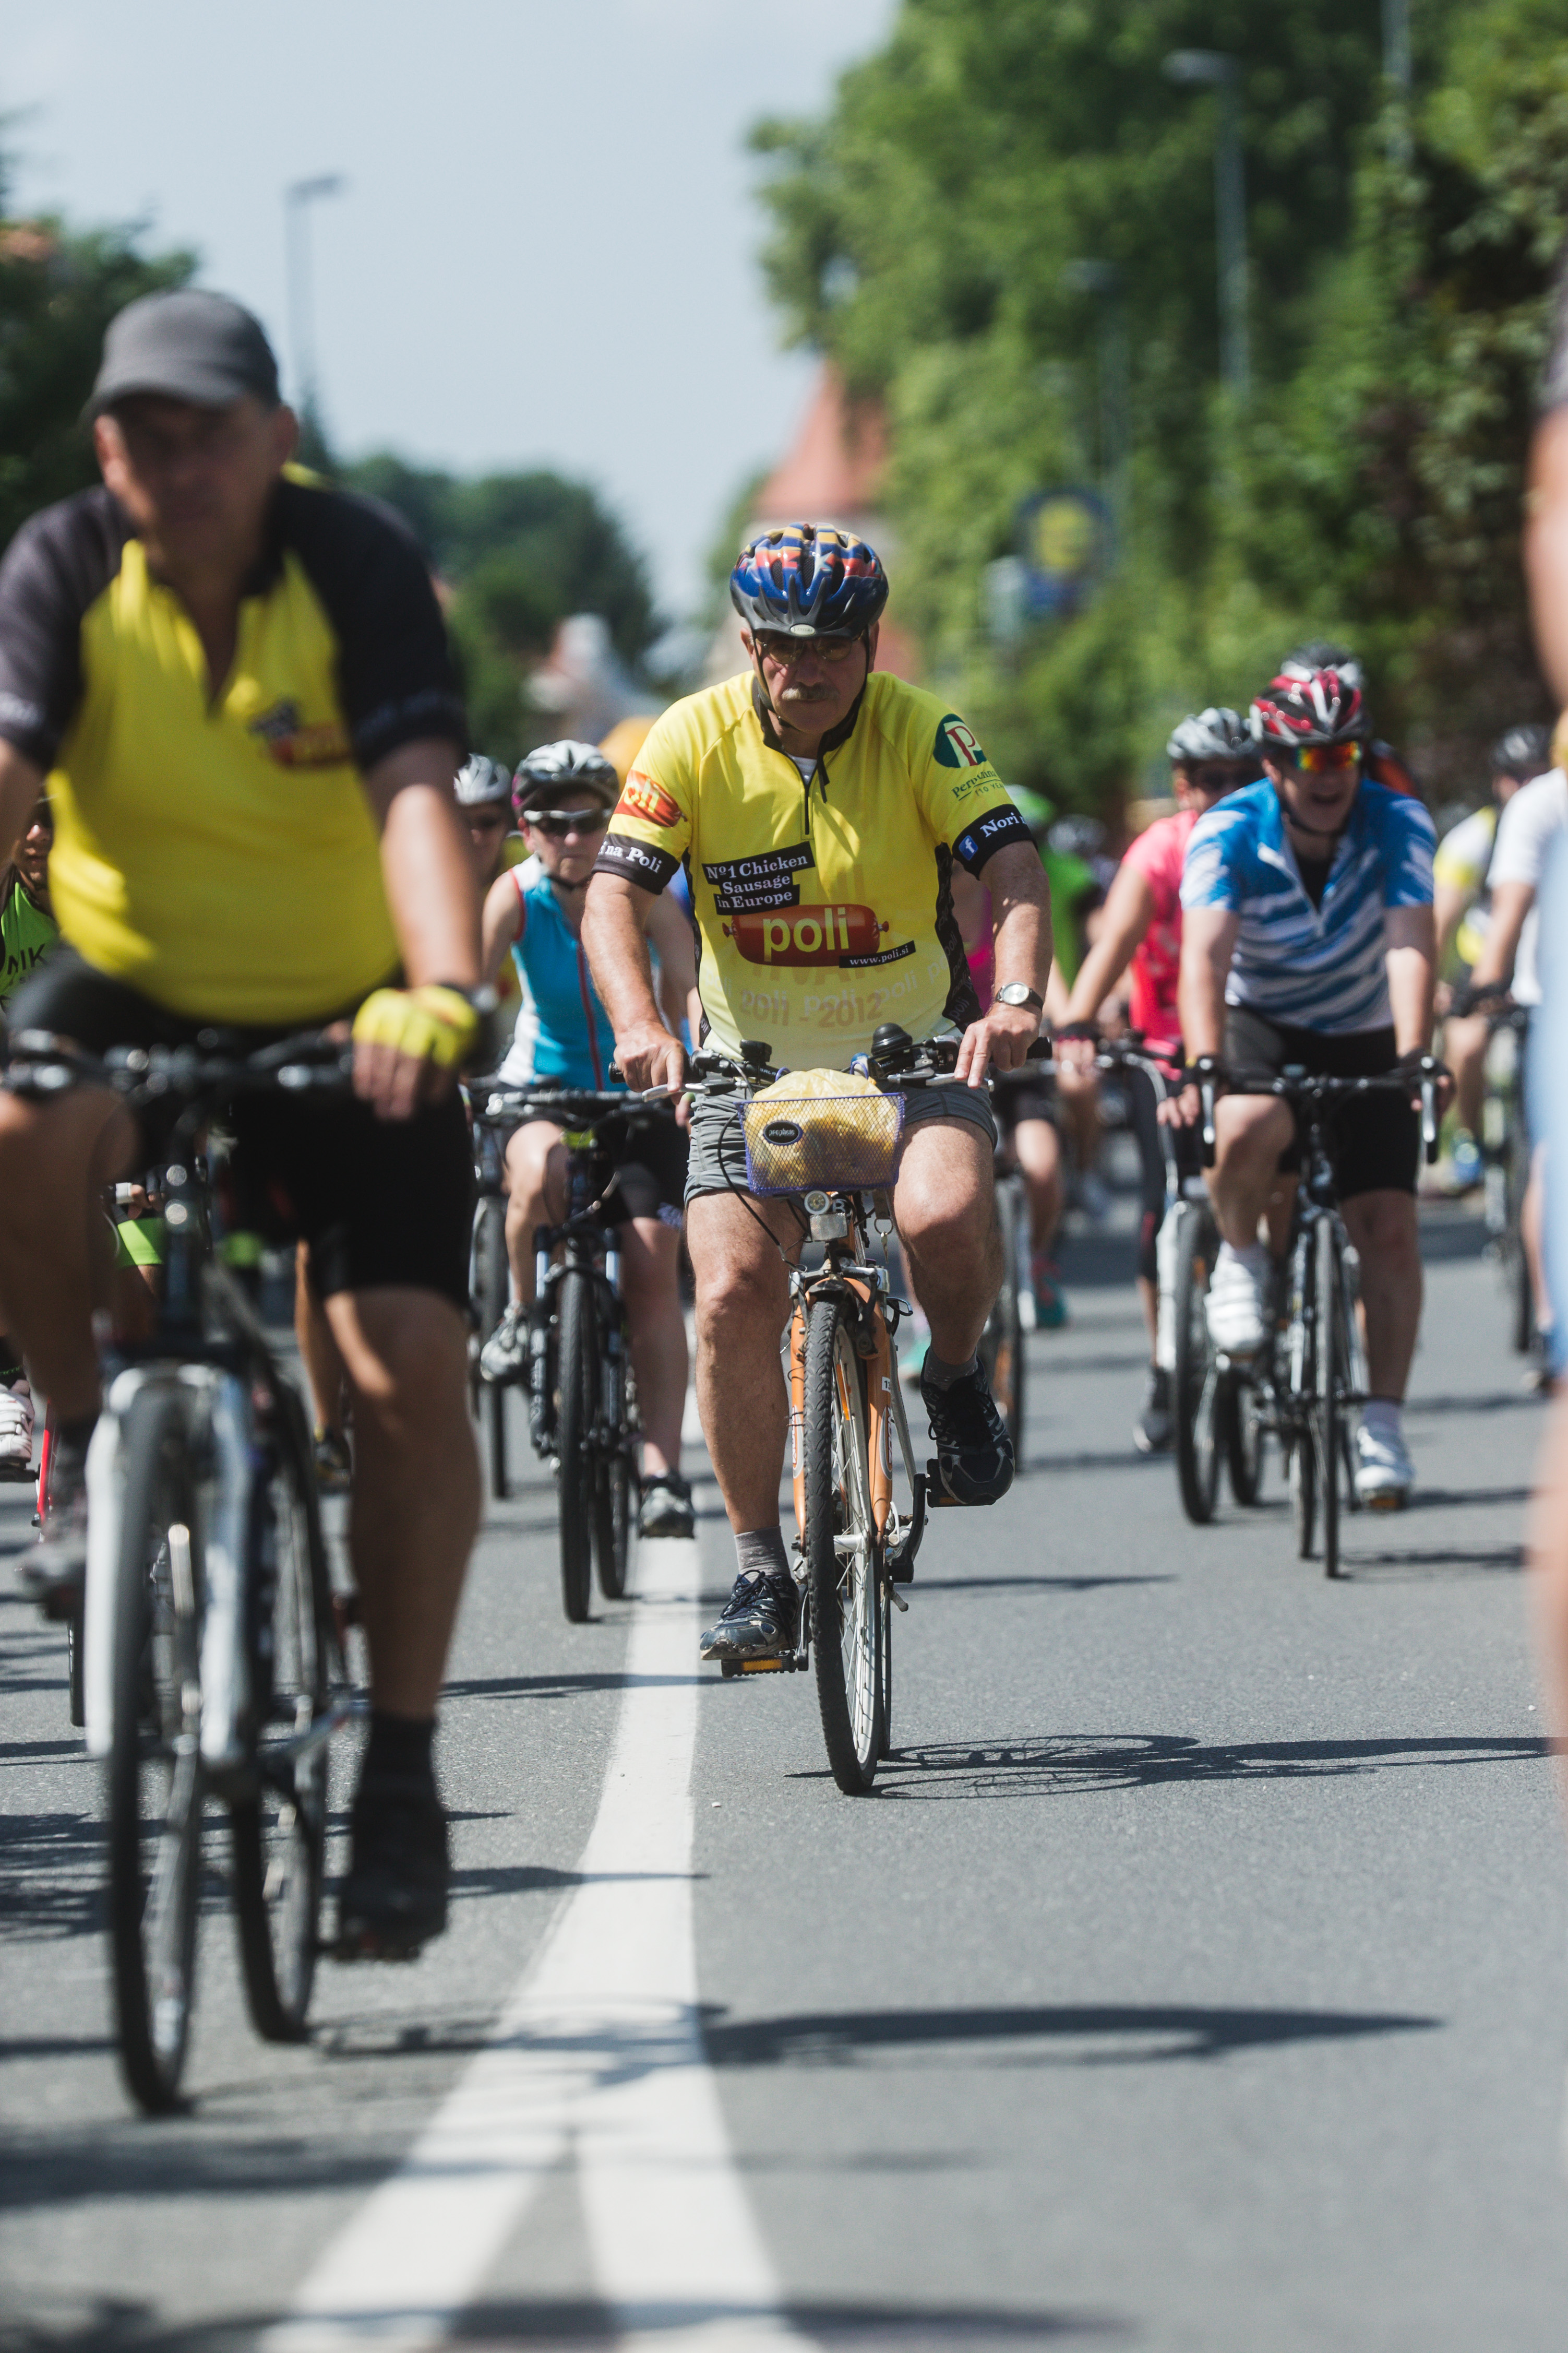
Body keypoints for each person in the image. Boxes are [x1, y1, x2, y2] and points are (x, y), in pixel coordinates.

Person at [0, 288, 486, 1957]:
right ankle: (87, 1453)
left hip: (351, 994)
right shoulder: (65, 568)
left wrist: (438, 984)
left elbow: (413, 792)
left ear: (275, 439)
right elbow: (8, 778)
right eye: (147, 436)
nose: (182, 465)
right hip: (135, 974)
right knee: (19, 1122)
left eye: (214, 432)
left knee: (403, 1367)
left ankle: (400, 1777)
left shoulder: (352, 563)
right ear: (105, 453)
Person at [581, 521, 1052, 1661]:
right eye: (785, 645)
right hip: (749, 1066)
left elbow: (1013, 866)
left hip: (910, 1051)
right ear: (750, 644)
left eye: (834, 644)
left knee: (945, 1211)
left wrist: (1016, 999)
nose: (808, 666)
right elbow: (610, 897)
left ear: (871, 645)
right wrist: (640, 1024)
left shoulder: (922, 729)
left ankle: (953, 1378)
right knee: (732, 1291)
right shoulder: (688, 738)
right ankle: (759, 1570)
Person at [1174, 666, 1440, 1509]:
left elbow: (1410, 942)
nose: (1329, 774)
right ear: (1273, 764)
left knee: (1388, 1228)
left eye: (1344, 755)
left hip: (1367, 1022)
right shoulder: (1227, 829)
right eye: (1309, 757)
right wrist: (1206, 1059)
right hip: (1265, 1018)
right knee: (1245, 1123)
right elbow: (1204, 960)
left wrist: (1414, 1054)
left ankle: (1383, 1426)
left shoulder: (1397, 820)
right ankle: (1242, 1257)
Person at [476, 739, 699, 1539]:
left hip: (639, 1094)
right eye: (550, 822)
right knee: (538, 1173)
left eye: (587, 822)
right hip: (542, 1086)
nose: (571, 838)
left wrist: (696, 1064)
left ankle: (661, 1475)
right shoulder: (513, 895)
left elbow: (687, 986)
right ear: (526, 829)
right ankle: (520, 1314)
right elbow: (469, 990)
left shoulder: (646, 892)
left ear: (612, 823)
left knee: (650, 1265)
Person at [1057, 708, 1258, 1452]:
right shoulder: (1160, 851)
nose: (1227, 792)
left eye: (1242, 778)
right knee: (1162, 1207)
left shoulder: (1271, 841)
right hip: (1166, 1051)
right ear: (1183, 785)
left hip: (1251, 1046)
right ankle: (1166, 1363)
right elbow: (1115, 940)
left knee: (1270, 1179)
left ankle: (1274, 1311)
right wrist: (1078, 1021)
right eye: (1211, 780)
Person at [1432, 723, 1551, 1192]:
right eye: (1517, 777)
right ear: (1498, 781)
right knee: (1466, 1047)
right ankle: (1470, 1138)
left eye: (1538, 775)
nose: (1527, 787)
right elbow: (1440, 923)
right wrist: (1436, 985)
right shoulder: (1471, 841)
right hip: (1480, 967)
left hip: (1544, 967)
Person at [0, 792, 59, 1477]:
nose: (40, 834)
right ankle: (9, 1382)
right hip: (17, 1085)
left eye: (56, 816)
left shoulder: (107, 897)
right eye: (27, 816)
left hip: (105, 1089)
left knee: (146, 1287)